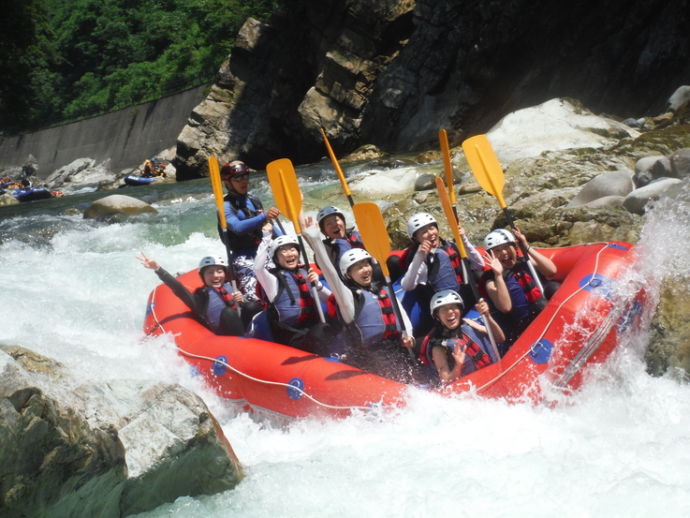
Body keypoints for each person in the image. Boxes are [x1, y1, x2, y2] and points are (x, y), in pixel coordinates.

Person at [302, 222, 418, 383]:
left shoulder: (381, 290)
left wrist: (408, 334)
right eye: (358, 268)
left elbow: (400, 313)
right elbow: (330, 274)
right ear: (348, 274)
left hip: (395, 346)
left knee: (415, 371)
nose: (365, 270)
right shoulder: (348, 298)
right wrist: (315, 241)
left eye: (366, 265)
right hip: (368, 356)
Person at [398, 212, 485, 336]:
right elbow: (407, 285)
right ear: (416, 239)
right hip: (444, 308)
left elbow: (479, 265)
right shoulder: (421, 258)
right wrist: (419, 257)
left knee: (481, 276)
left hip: (463, 299)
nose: (430, 234)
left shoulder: (450, 246)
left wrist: (463, 239)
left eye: (432, 228)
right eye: (423, 232)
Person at [137, 253, 259, 335]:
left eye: (219, 271)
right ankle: (245, 342)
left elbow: (246, 309)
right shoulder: (200, 296)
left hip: (244, 327)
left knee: (252, 306)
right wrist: (158, 268)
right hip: (227, 335)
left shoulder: (230, 286)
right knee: (228, 313)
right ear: (203, 276)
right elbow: (178, 288)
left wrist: (242, 300)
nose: (215, 276)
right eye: (210, 273)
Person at [253, 232, 332, 354]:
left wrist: (318, 285)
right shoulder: (272, 280)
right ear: (276, 258)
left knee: (331, 325)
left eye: (292, 249)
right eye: (283, 251)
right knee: (320, 331)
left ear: (298, 253)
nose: (289, 253)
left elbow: (331, 301)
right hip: (291, 336)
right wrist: (267, 236)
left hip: (313, 326)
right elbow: (258, 268)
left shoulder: (306, 273)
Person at [480, 227, 558, 349]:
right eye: (497, 250)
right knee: (541, 305)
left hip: (544, 311)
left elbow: (552, 271)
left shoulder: (525, 261)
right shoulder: (491, 280)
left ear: (515, 247)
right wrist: (499, 275)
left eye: (507, 247)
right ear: (491, 255)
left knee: (554, 287)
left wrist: (526, 247)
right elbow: (505, 307)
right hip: (524, 326)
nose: (504, 252)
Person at [220, 160, 282, 301]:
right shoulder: (224, 206)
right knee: (255, 296)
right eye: (238, 178)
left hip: (263, 250)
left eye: (246, 176)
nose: (244, 181)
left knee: (283, 284)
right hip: (243, 257)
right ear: (228, 183)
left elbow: (268, 226)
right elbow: (237, 227)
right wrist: (264, 215)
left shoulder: (254, 199)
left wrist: (285, 243)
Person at [418, 289, 504, 385]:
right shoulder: (438, 346)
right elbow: (446, 381)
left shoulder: (468, 323)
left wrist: (487, 316)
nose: (450, 312)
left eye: (453, 307)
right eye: (444, 309)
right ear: (437, 317)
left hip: (495, 373)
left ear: (460, 310)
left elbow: (500, 338)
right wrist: (458, 365)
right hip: (474, 387)